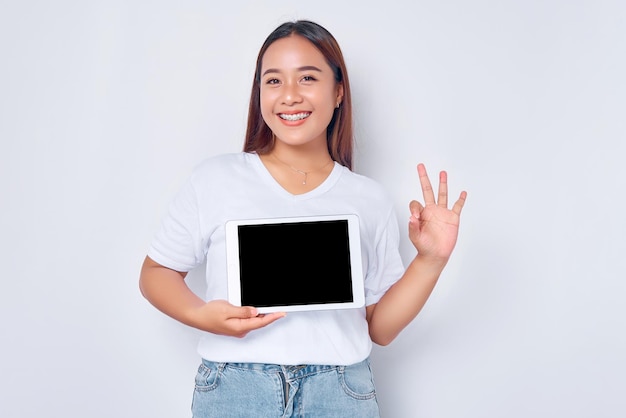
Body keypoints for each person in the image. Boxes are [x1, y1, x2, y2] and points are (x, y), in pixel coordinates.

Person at [139, 20, 467, 418]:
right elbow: (156, 272)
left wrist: (430, 261)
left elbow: (379, 328)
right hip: (235, 389)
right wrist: (201, 316)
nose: (289, 96)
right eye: (273, 81)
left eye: (307, 77)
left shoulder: (369, 199)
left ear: (339, 90)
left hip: (341, 391)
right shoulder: (216, 179)